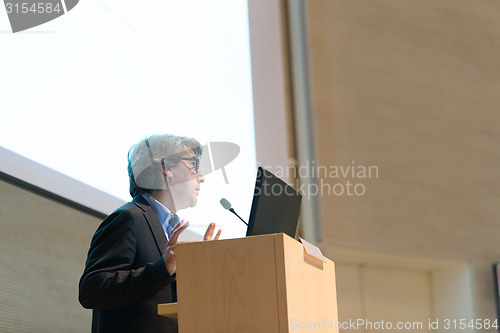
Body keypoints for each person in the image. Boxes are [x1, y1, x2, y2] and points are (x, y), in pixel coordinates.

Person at [78, 134, 220, 333]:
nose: (202, 177)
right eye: (194, 165)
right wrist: (160, 270)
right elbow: (91, 290)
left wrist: (201, 270)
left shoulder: (168, 229)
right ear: (167, 168)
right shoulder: (129, 217)